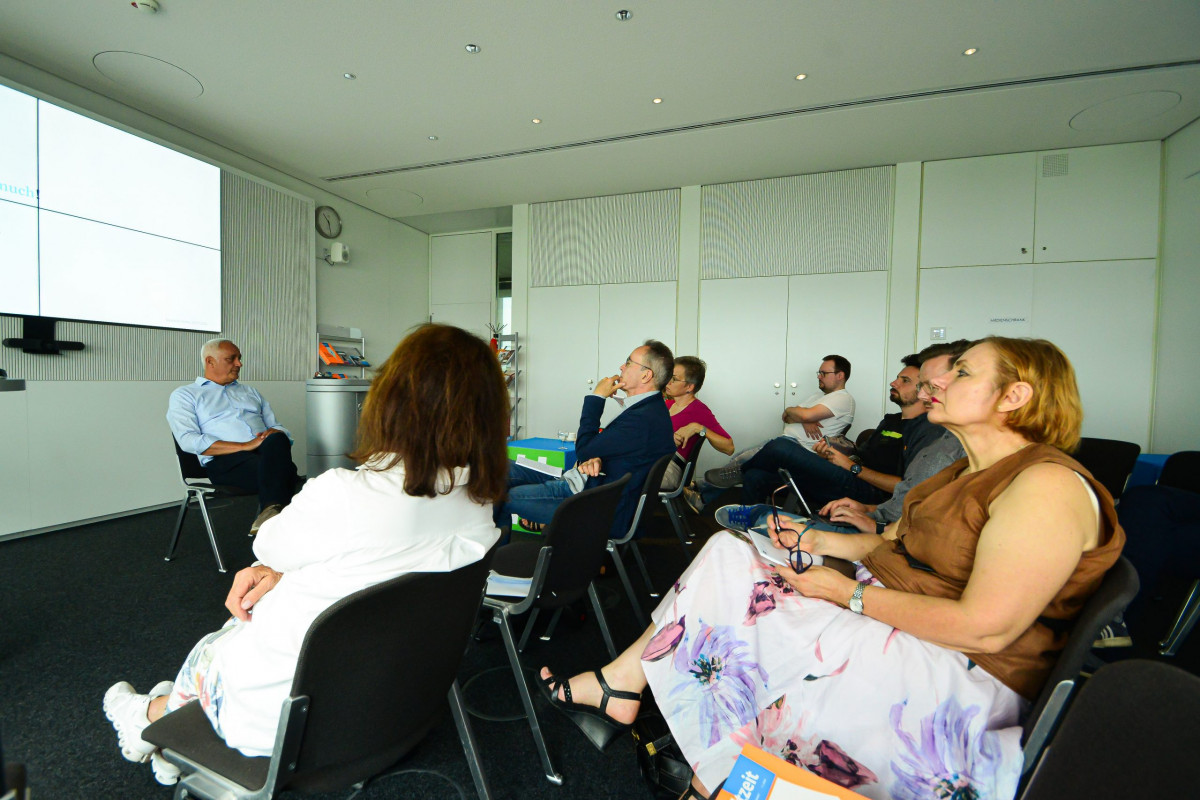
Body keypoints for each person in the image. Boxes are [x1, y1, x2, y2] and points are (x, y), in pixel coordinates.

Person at [539, 337, 1124, 800]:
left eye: (963, 372)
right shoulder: (962, 474)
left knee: (759, 598)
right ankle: (627, 683)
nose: (935, 381)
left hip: (956, 667)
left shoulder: (1046, 485)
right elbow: (890, 549)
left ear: (1015, 397)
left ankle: (700, 757)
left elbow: (986, 628)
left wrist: (846, 596)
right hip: (904, 617)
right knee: (729, 551)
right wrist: (809, 536)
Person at [105, 324, 509, 785]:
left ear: (391, 400)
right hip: (394, 703)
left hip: (281, 728)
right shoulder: (479, 501)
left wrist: (272, 564)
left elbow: (267, 545)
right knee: (242, 620)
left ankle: (145, 720)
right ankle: (162, 735)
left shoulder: (344, 493)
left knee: (216, 643)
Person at [494, 340, 676, 538]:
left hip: (590, 499)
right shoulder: (650, 411)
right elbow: (601, 452)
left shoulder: (643, 419)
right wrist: (594, 457)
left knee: (500, 499)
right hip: (586, 479)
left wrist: (597, 397)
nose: (621, 367)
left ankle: (492, 567)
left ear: (646, 375)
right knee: (502, 470)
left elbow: (585, 449)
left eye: (628, 362)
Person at [817, 340, 971, 534]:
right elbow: (906, 505)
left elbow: (918, 530)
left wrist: (878, 525)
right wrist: (869, 511)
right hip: (880, 521)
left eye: (933, 386)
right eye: (923, 385)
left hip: (879, 517)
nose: (924, 395)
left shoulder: (936, 438)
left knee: (781, 449)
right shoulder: (942, 443)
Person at [736, 355, 929, 508]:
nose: (894, 383)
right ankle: (749, 533)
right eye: (897, 378)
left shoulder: (926, 430)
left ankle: (737, 472)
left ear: (925, 389)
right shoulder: (891, 421)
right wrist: (835, 455)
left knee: (781, 446)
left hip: (867, 489)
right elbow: (862, 455)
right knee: (755, 476)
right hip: (847, 472)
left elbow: (906, 487)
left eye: (904, 380)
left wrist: (851, 467)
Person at [167, 338, 299, 534]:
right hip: (226, 463)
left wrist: (276, 434)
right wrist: (244, 446)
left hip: (267, 454)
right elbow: (188, 440)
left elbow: (276, 427)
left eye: (239, 358)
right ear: (210, 362)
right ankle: (279, 525)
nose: (239, 363)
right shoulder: (186, 395)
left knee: (278, 438)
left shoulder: (250, 392)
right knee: (288, 473)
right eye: (232, 359)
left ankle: (270, 514)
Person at [699, 355, 856, 497]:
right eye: (819, 373)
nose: (819, 377)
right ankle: (705, 495)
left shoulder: (843, 399)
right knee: (744, 463)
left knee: (741, 462)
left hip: (801, 451)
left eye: (823, 373)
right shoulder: (819, 396)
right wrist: (799, 415)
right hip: (786, 442)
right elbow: (786, 416)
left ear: (840, 375)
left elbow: (802, 415)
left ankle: (704, 487)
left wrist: (803, 416)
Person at [662, 356, 734, 489]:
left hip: (669, 468)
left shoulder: (698, 410)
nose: (668, 382)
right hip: (656, 460)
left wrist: (699, 428)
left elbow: (729, 448)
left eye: (674, 379)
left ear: (689, 387)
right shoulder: (667, 404)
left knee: (624, 472)